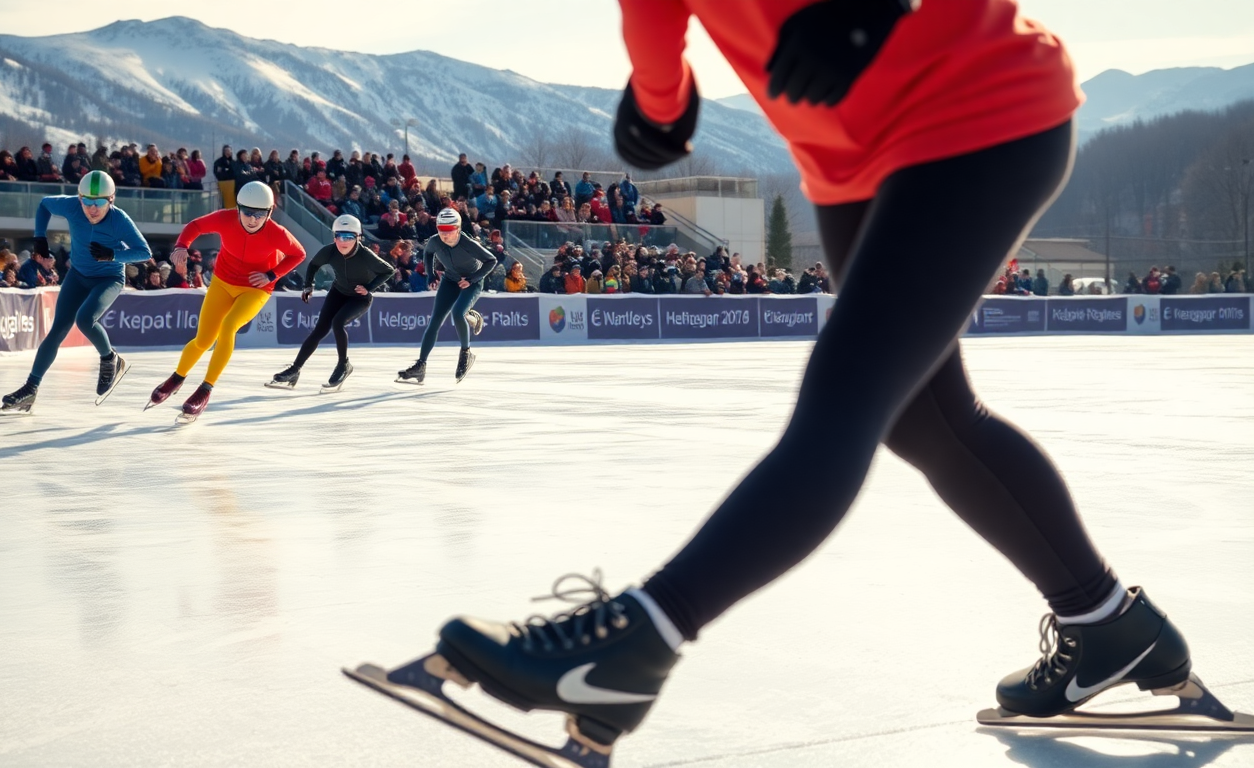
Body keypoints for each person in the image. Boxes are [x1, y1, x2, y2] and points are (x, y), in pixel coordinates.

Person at [361, 0, 1249, 763]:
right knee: (924, 422)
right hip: (847, 158)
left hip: (977, 107)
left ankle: (633, 646)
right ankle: (1110, 625)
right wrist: (658, 97)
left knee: (846, 398)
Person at [146, 181, 305, 424]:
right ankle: (177, 378)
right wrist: (181, 246)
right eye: (247, 212)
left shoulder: (277, 232)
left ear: (269, 213)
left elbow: (298, 254)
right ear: (238, 208)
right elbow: (195, 225)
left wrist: (272, 275)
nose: (252, 219)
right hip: (222, 283)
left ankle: (205, 389)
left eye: (259, 214)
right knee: (204, 340)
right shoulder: (225, 218)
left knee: (229, 326)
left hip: (255, 289)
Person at [0, 171, 151, 416]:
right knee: (57, 331)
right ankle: (30, 388)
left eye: (99, 202)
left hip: (108, 278)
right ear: (79, 198)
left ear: (111, 200)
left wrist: (113, 255)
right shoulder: (72, 206)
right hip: (78, 276)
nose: (92, 208)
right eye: (86, 201)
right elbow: (44, 205)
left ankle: (110, 358)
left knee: (85, 319)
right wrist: (39, 237)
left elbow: (144, 251)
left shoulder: (119, 220)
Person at [269, 215, 394, 393]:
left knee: (338, 322)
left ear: (358, 238)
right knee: (319, 331)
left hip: (359, 298)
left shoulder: (365, 255)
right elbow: (313, 265)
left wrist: (369, 287)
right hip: (338, 293)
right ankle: (295, 370)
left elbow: (388, 270)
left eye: (349, 237)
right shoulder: (330, 251)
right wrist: (307, 286)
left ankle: (344, 365)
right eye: (339, 236)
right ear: (334, 237)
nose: (343, 242)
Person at [395, 208, 495, 385]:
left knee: (457, 314)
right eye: (441, 230)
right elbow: (427, 253)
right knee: (435, 321)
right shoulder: (435, 241)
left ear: (457, 229)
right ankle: (420, 366)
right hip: (450, 280)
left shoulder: (468, 243)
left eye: (449, 231)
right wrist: (431, 274)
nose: (444, 235)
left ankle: (466, 353)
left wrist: (472, 279)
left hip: (471, 282)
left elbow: (491, 261)